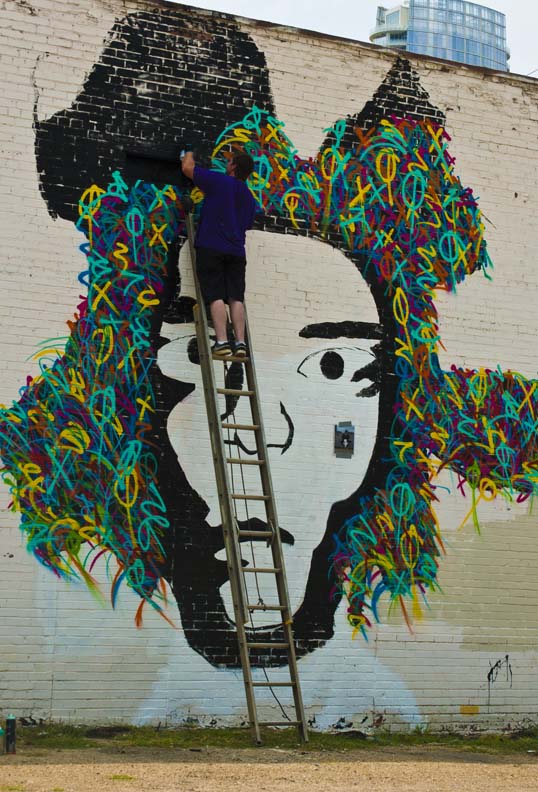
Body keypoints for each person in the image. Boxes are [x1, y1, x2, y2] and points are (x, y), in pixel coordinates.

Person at [180, 150, 257, 358]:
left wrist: (188, 152)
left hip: (212, 246)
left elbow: (187, 168)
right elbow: (247, 224)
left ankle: (222, 341)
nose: (226, 164)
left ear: (233, 167)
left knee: (215, 295)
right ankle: (240, 343)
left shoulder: (219, 181)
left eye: (229, 161)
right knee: (236, 298)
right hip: (236, 252)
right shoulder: (250, 198)